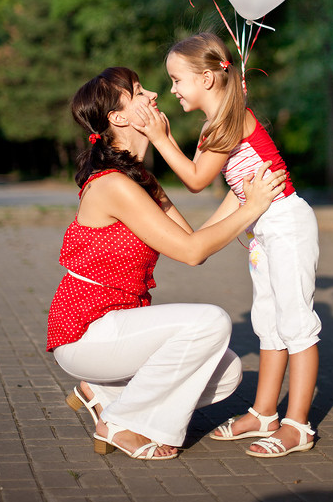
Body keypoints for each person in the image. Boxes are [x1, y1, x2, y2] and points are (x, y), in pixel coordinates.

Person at [47, 66, 286, 461]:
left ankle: (104, 392)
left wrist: (243, 191)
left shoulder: (140, 178)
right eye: (139, 92)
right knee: (212, 322)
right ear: (119, 118)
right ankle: (122, 422)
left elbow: (196, 242)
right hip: (85, 332)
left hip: (115, 329)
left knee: (226, 372)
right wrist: (253, 209)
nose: (154, 95)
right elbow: (192, 251)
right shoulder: (114, 185)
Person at [135, 32, 321, 458]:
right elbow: (237, 192)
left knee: (297, 325)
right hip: (263, 229)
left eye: (177, 79)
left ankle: (297, 426)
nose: (172, 89)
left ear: (206, 78)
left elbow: (198, 181)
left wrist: (161, 138)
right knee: (269, 322)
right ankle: (263, 414)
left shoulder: (229, 122)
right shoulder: (215, 126)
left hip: (287, 225)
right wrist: (200, 238)